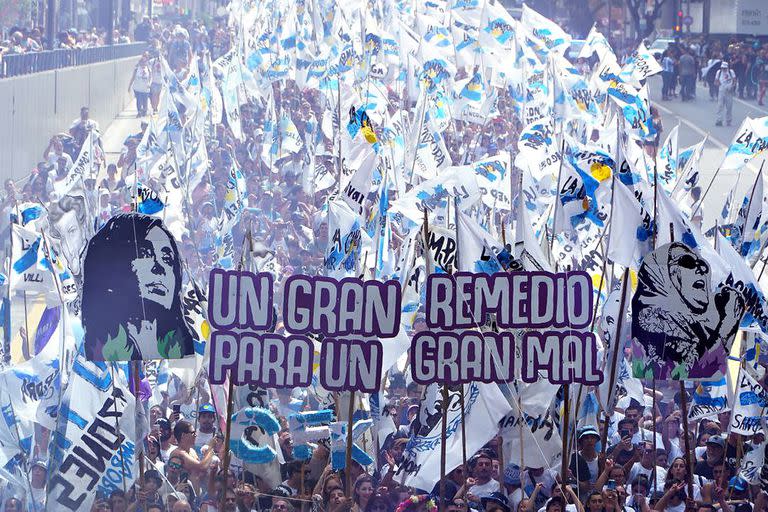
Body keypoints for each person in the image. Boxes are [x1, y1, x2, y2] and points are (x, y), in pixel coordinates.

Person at [81, 213, 196, 360]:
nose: (159, 268)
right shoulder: (97, 352)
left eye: (167, 259)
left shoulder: (178, 344)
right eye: (144, 254)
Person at [129, 53, 152, 117]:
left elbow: (150, 77)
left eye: (145, 62)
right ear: (140, 62)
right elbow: (133, 77)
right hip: (138, 88)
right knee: (138, 100)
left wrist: (149, 83)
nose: (143, 63)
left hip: (145, 88)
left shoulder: (148, 69)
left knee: (145, 101)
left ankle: (144, 111)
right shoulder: (137, 69)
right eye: (142, 62)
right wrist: (129, 86)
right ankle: (139, 112)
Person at [715, 61, 736, 127]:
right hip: (721, 91)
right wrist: (720, 85)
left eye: (725, 68)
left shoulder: (731, 72)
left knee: (729, 107)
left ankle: (728, 120)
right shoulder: (719, 72)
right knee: (720, 106)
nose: (723, 69)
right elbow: (716, 81)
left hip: (729, 91)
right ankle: (719, 120)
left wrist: (731, 86)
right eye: (722, 68)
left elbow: (734, 80)